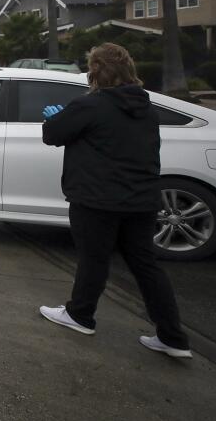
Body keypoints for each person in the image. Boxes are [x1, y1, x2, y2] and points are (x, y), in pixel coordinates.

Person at [37, 43, 191, 358]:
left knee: (94, 260)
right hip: (141, 200)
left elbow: (53, 135)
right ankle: (173, 337)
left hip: (97, 199)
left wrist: (56, 118)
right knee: (146, 266)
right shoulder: (147, 109)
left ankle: (80, 315)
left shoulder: (90, 105)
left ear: (95, 71)